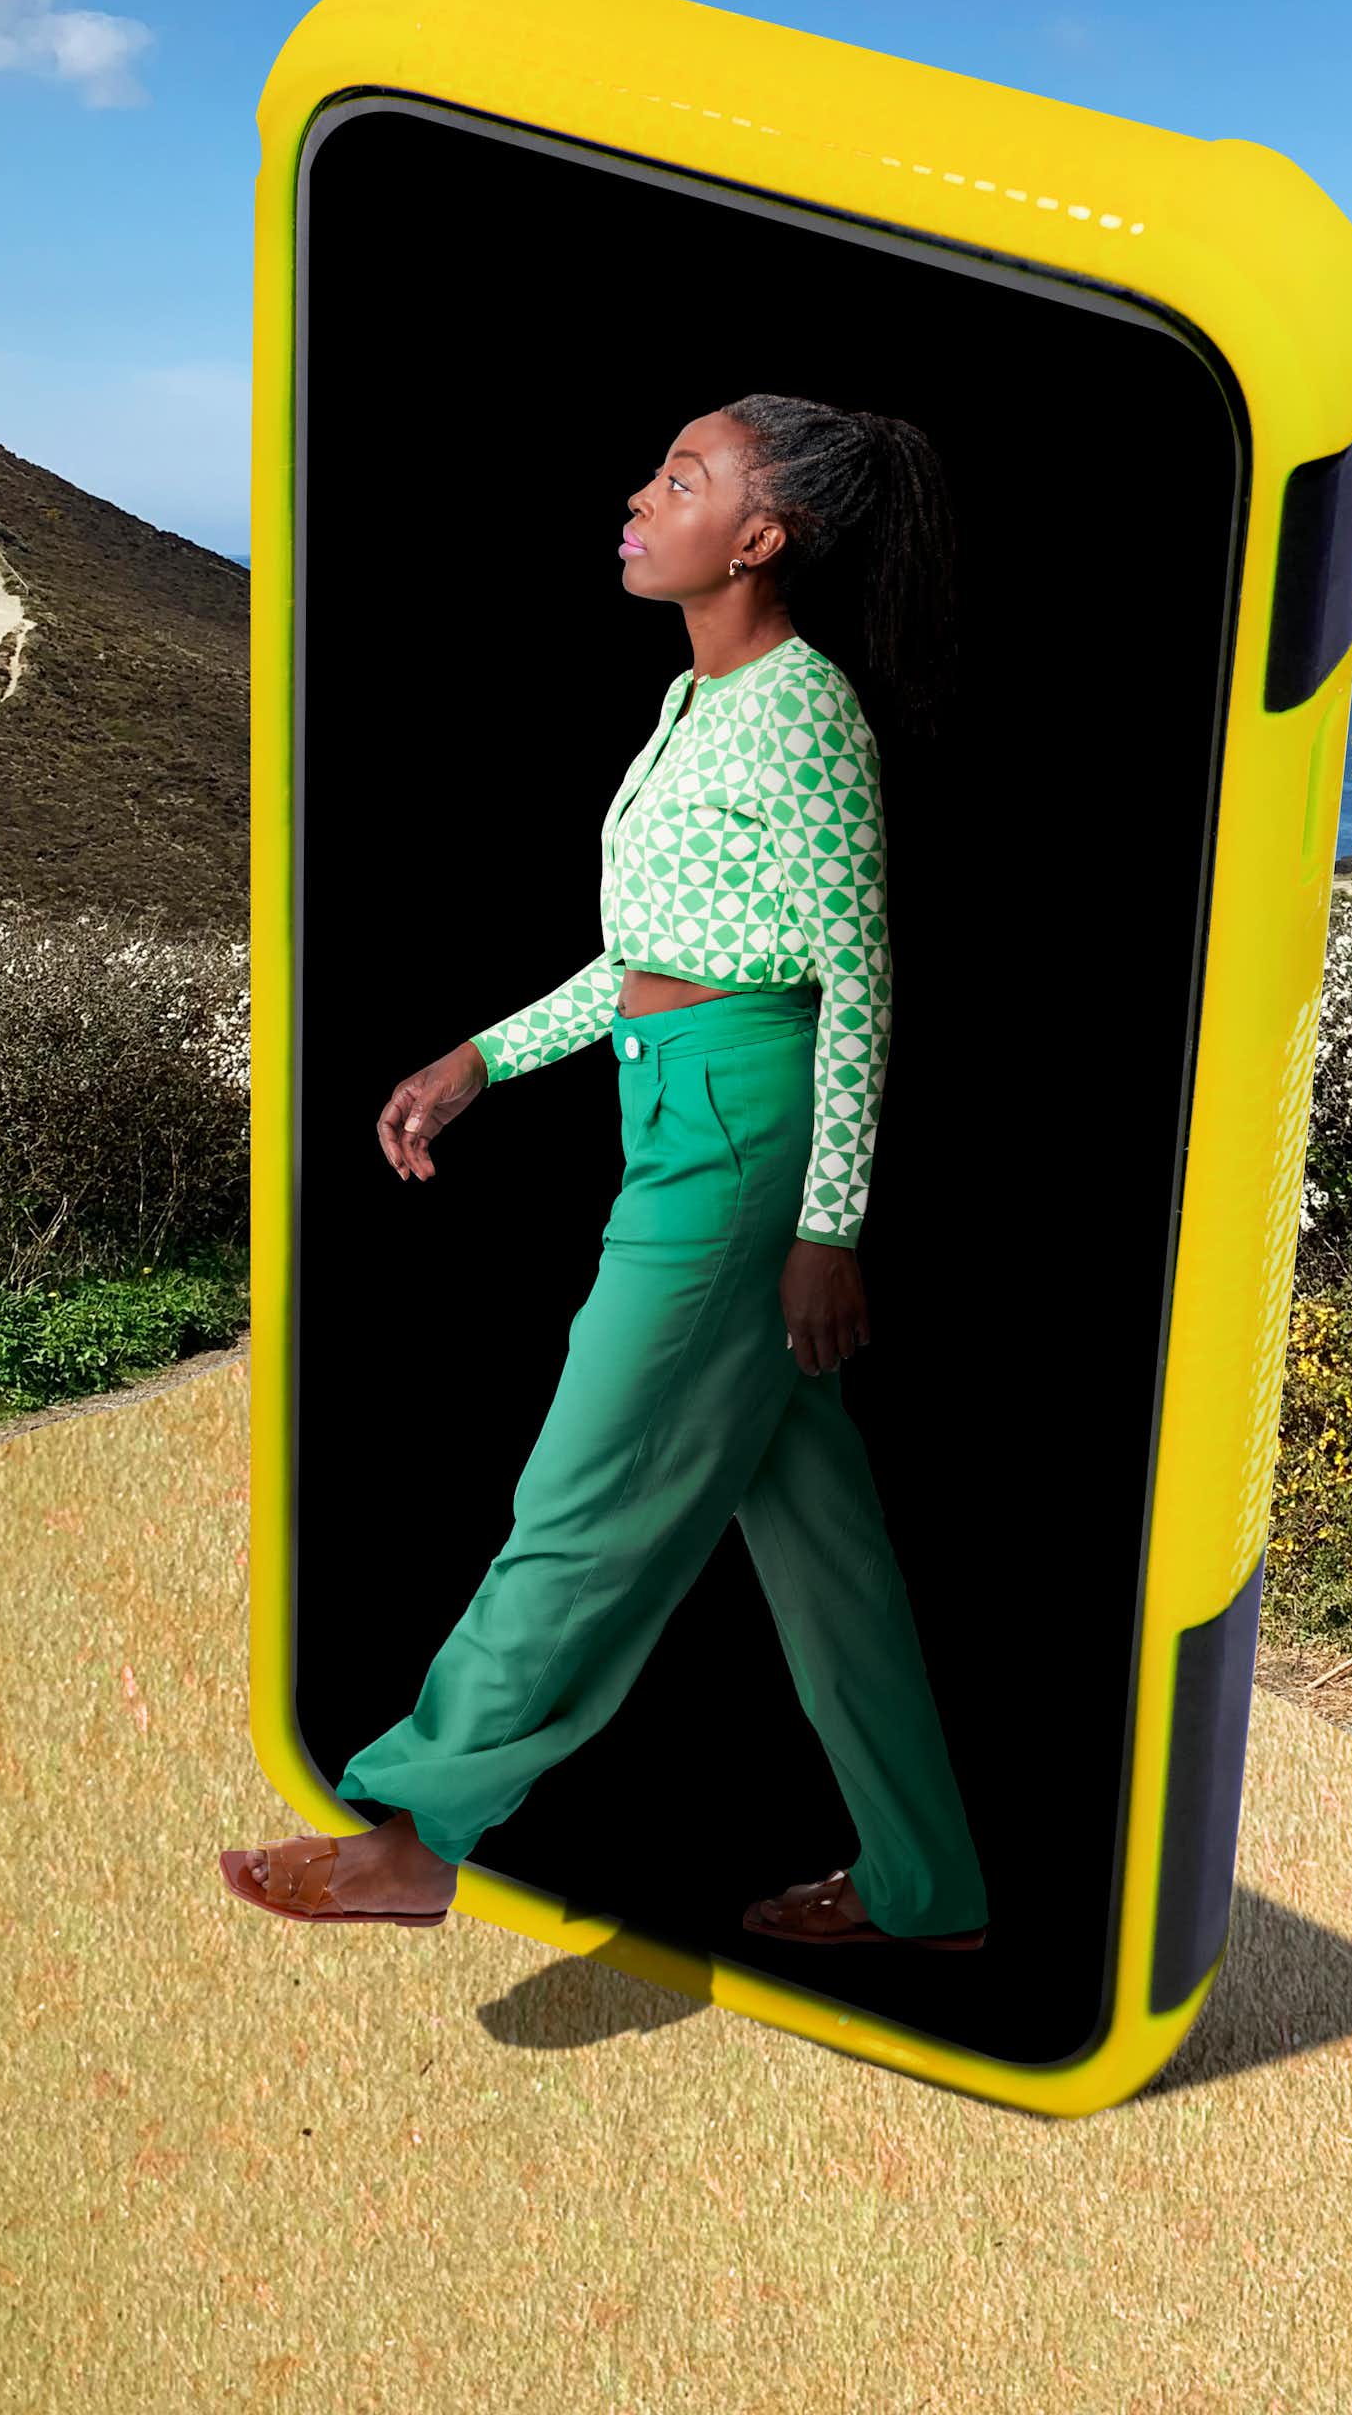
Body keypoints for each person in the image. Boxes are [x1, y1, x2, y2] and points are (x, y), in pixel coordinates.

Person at [221, 394, 990, 1949]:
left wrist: (829, 1224)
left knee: (578, 1498)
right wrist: (478, 1060)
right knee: (822, 1543)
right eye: (657, 472)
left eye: (680, 479)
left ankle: (417, 1833)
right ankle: (932, 1890)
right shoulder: (691, 705)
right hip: (680, 1108)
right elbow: (651, 958)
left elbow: (857, 978)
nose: (640, 499)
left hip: (738, 1137)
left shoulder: (805, 715)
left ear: (759, 539)